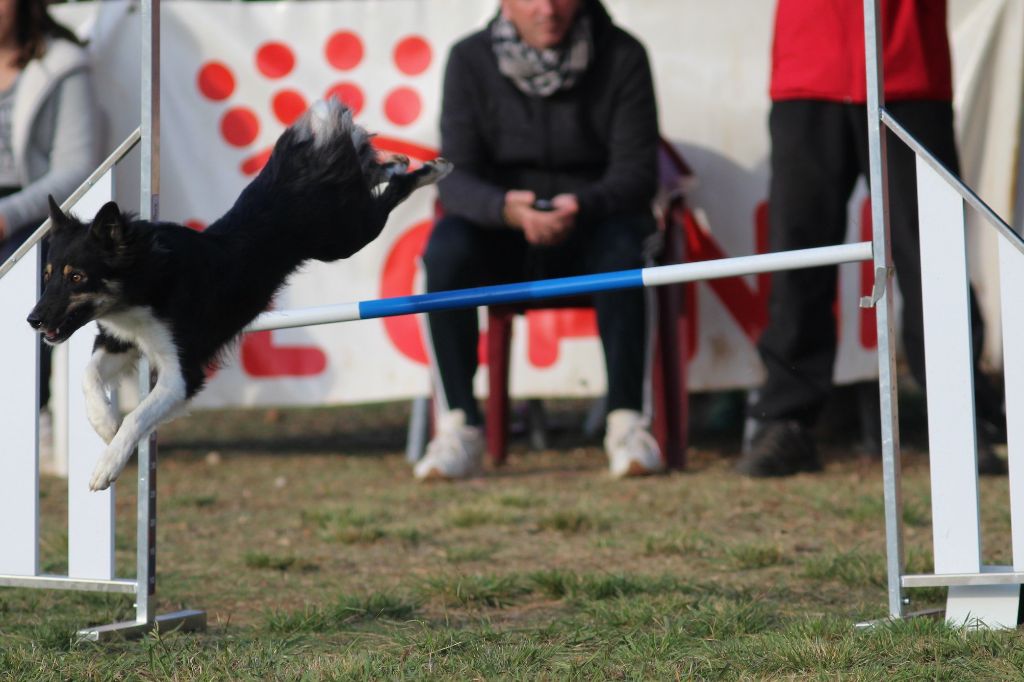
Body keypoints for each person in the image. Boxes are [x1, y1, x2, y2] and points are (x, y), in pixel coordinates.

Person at [738, 0, 1007, 476]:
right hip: (809, 70)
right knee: (799, 253)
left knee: (933, 253)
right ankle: (786, 419)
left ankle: (963, 416)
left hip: (908, 69)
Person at [414, 0, 663, 480]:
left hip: (595, 223)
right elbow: (455, 175)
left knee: (625, 249)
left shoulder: (624, 54)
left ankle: (628, 424)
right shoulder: (469, 58)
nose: (547, 10)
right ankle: (458, 427)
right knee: (445, 250)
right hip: (503, 230)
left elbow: (637, 173)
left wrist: (582, 205)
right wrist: (505, 208)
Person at [0, 0, 103, 461]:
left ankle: (31, 417)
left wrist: (7, 215)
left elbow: (76, 168)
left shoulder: (62, 64)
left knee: (35, 285)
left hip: (32, 217)